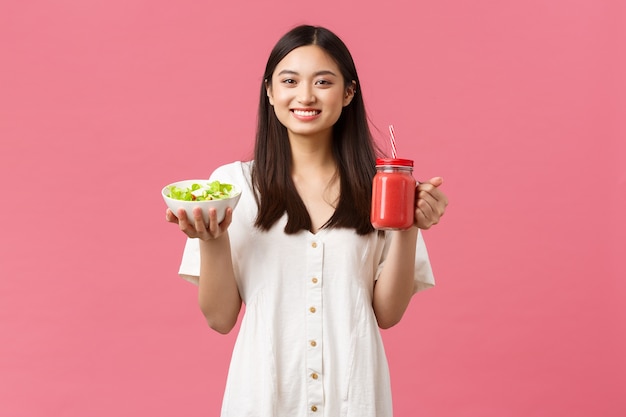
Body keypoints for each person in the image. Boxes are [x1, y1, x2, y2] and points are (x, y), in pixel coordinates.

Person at [166, 24, 448, 417]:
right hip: (263, 398)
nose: (305, 96)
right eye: (289, 80)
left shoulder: (383, 188)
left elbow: (387, 314)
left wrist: (409, 225)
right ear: (269, 91)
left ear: (349, 92)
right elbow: (219, 318)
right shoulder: (230, 186)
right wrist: (213, 239)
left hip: (355, 398)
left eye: (323, 82)